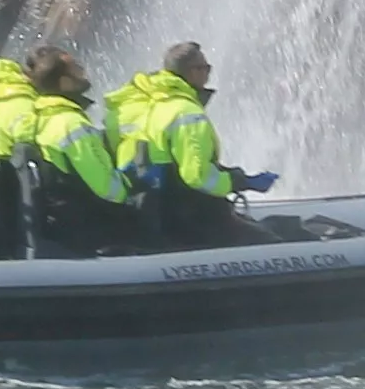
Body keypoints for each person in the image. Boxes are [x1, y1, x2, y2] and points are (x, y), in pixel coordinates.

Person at [106, 40, 279, 249]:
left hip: (157, 213)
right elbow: (197, 176)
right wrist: (238, 183)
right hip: (192, 217)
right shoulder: (187, 113)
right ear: (190, 72)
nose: (208, 73)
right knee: (271, 242)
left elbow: (171, 162)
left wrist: (237, 176)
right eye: (204, 68)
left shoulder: (150, 105)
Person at [0, 46, 138, 254]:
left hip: (57, 223)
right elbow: (109, 190)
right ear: (64, 82)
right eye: (77, 68)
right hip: (85, 227)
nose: (83, 71)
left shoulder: (38, 119)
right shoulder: (71, 124)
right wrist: (132, 193)